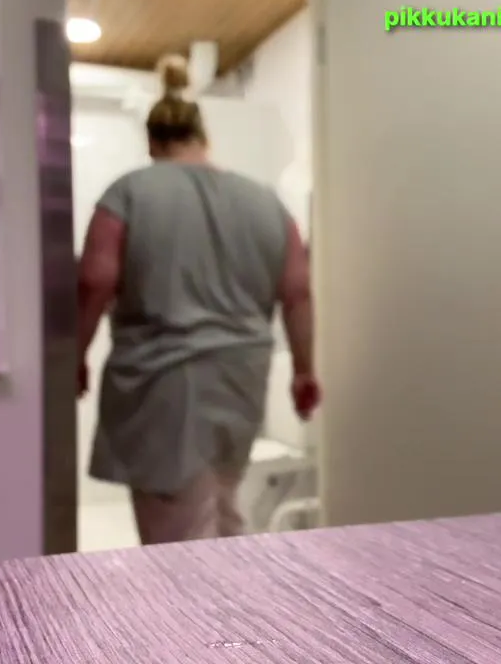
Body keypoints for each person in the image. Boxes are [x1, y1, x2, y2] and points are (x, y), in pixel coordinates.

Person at [77, 54, 321, 546]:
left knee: (177, 534)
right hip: (241, 379)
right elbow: (297, 293)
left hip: (161, 384)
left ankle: (199, 599)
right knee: (222, 506)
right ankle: (232, 594)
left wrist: (74, 354)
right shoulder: (266, 202)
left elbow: (94, 281)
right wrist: (303, 372)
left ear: (152, 141)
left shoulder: (128, 193)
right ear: (203, 137)